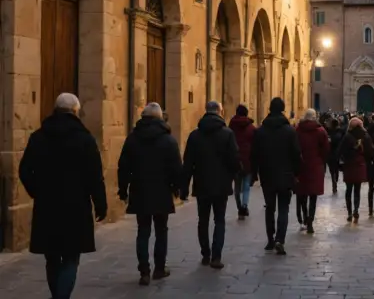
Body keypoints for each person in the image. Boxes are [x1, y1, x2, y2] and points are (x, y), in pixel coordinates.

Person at [19, 93, 107, 299]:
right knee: (70, 256)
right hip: (75, 207)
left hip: (46, 206)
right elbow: (95, 176)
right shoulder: (85, 139)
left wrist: (37, 191)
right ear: (76, 112)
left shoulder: (39, 137)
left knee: (51, 257)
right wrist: (100, 204)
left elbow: (24, 170)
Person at [117, 102, 182, 285]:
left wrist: (123, 190)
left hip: (140, 190)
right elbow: (176, 167)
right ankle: (159, 269)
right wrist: (177, 187)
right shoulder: (168, 140)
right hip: (161, 190)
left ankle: (144, 271)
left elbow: (123, 167)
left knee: (143, 231)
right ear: (160, 117)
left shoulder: (132, 139)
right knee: (161, 230)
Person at [181, 101, 240, 269]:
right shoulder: (227, 134)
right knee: (219, 220)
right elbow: (234, 159)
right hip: (221, 185)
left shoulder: (195, 135)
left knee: (203, 220)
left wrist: (184, 187)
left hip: (202, 183)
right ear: (220, 112)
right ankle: (216, 256)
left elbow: (188, 163)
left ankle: (205, 253)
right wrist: (235, 175)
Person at [251, 97, 302, 255]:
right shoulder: (289, 131)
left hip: (267, 175)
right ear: (283, 109)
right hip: (286, 175)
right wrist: (297, 172)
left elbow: (254, 154)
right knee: (283, 208)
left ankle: (270, 240)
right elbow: (296, 154)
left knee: (270, 207)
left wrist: (254, 173)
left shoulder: (260, 131)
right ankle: (280, 239)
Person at [296, 108, 330, 234]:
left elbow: (295, 147)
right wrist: (321, 160)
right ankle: (310, 221)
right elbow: (326, 149)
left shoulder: (298, 130)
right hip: (315, 166)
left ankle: (305, 218)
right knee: (313, 196)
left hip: (301, 166)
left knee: (303, 194)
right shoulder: (321, 131)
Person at [338, 117, 374, 223]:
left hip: (349, 165)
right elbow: (370, 151)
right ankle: (356, 210)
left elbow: (340, 151)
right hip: (359, 165)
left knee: (348, 190)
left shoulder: (347, 136)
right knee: (357, 190)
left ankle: (349, 212)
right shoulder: (365, 136)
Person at [229, 105, 256, 220]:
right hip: (248, 160)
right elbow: (255, 146)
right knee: (246, 186)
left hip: (235, 160)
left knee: (237, 187)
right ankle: (244, 205)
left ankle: (239, 207)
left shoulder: (231, 127)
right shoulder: (251, 128)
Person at [327, 118, 344, 194]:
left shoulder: (333, 132)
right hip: (336, 154)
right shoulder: (340, 131)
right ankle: (335, 181)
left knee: (333, 170)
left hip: (332, 154)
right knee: (335, 170)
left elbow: (331, 141)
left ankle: (334, 182)